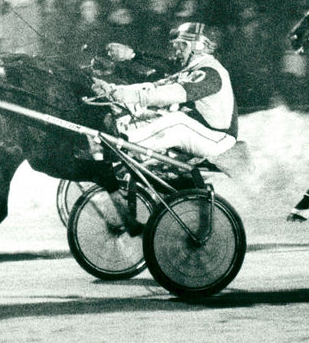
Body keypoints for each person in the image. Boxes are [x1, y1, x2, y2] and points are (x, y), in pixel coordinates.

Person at [92, 22, 238, 235]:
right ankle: (129, 152)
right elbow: (155, 87)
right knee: (148, 116)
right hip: (201, 131)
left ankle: (124, 143)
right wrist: (114, 90)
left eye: (182, 45)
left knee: (176, 121)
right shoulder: (191, 69)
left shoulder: (210, 71)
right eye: (176, 45)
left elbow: (173, 93)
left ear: (199, 45)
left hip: (218, 137)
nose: (177, 50)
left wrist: (126, 96)